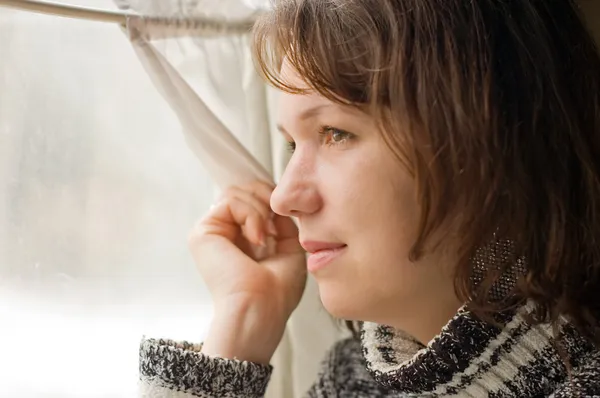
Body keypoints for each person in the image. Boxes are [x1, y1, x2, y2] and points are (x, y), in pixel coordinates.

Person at [138, 0, 600, 396]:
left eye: (336, 133)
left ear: (489, 140)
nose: (283, 198)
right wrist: (241, 319)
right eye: (292, 145)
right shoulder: (353, 380)